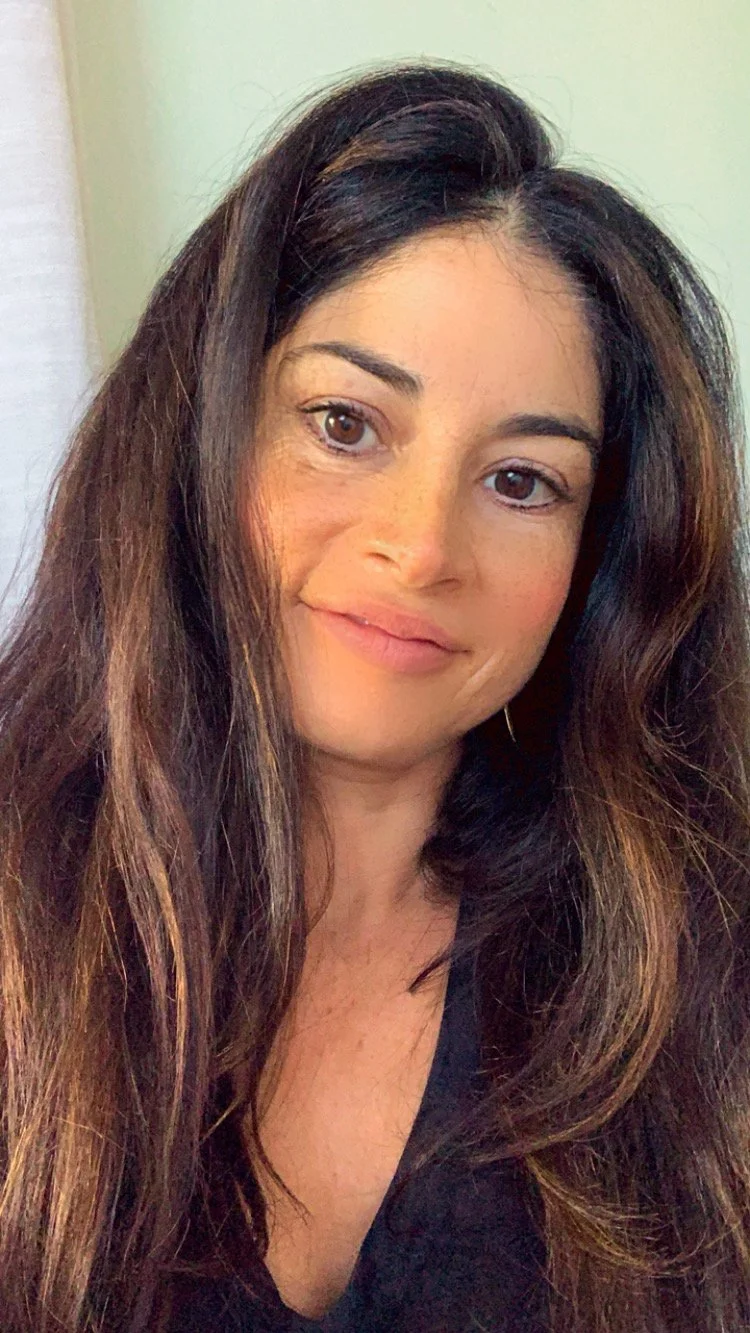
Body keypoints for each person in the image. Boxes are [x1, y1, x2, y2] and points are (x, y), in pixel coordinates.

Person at [0, 58, 748, 1333]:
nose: (422, 546)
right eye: (344, 423)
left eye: (521, 481)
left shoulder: (689, 967)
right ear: (200, 432)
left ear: (597, 563)